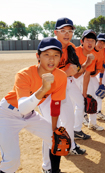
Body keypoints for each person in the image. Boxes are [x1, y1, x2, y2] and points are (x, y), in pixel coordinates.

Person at [0, 37, 65, 173]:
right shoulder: (24, 74)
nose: (51, 59)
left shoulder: (61, 76)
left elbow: (56, 104)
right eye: (47, 55)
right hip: (7, 115)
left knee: (55, 140)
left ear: (60, 58)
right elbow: (23, 106)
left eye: (56, 55)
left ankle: (53, 171)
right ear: (38, 56)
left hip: (30, 115)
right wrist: (43, 89)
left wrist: (54, 129)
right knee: (12, 160)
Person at [38, 18, 88, 173]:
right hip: (46, 94)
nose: (67, 34)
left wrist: (79, 68)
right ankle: (47, 167)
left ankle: (71, 146)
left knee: (68, 120)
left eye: (70, 31)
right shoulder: (49, 47)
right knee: (50, 130)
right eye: (63, 31)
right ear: (55, 32)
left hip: (62, 89)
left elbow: (77, 71)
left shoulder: (71, 48)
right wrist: (67, 73)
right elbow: (46, 79)